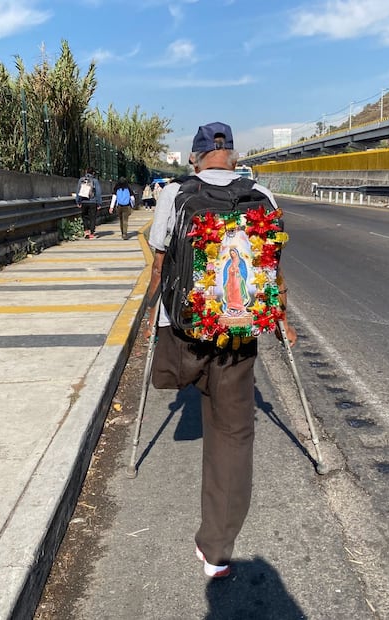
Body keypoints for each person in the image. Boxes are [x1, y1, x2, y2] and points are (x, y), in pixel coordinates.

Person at [143, 121, 297, 579]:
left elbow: (158, 262)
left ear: (195, 157)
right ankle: (216, 552)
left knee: (179, 378)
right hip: (238, 332)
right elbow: (272, 271)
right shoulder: (262, 197)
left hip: (185, 333)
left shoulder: (174, 194)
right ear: (232, 156)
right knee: (232, 434)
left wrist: (147, 312)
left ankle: (182, 379)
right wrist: (283, 320)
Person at [76, 167, 102, 239]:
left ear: (86, 172)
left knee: (84, 217)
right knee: (92, 217)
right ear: (93, 173)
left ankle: (86, 231)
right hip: (93, 202)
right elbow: (98, 192)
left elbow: (78, 191)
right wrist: (99, 203)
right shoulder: (95, 181)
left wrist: (78, 201)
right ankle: (92, 233)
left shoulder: (81, 180)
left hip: (83, 201)